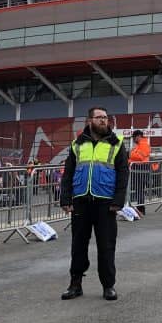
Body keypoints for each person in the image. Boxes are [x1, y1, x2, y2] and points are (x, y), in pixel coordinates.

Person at [59, 107, 129, 301]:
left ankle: (108, 286)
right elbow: (68, 173)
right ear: (90, 120)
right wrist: (65, 198)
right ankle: (75, 284)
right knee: (78, 245)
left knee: (106, 245)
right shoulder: (77, 144)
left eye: (105, 118)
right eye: (99, 118)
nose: (103, 121)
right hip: (81, 201)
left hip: (106, 203)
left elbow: (123, 173)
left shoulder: (117, 143)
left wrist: (118, 200)